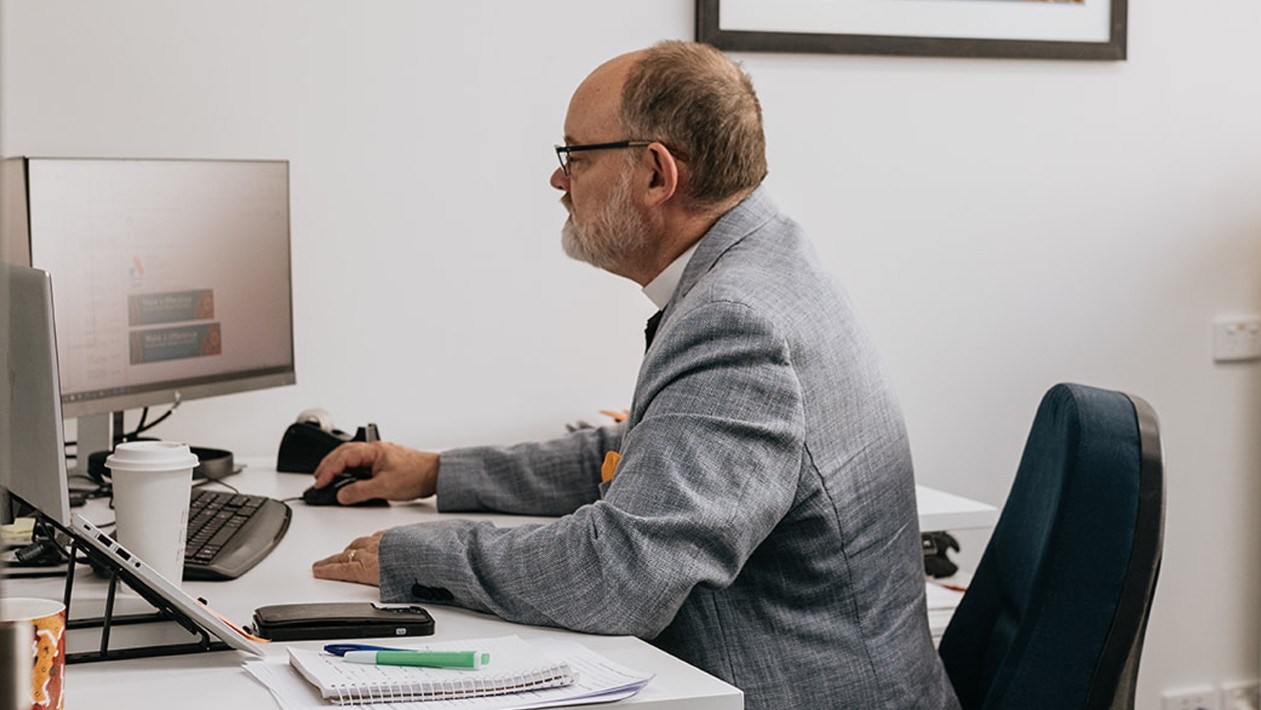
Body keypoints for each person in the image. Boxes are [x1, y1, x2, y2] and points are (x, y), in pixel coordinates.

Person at [311, 41, 959, 709]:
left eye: (574, 157)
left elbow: (619, 575)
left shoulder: (740, 320)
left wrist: (418, 555)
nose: (558, 183)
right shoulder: (763, 264)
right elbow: (646, 452)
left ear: (656, 173)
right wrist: (437, 473)